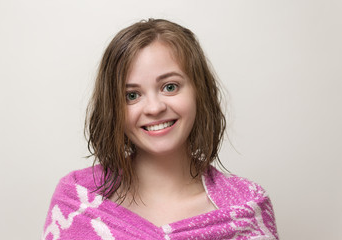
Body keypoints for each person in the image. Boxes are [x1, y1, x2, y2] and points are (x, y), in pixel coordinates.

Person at [41, 19, 279, 240]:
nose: (154, 108)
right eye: (132, 95)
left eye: (170, 87)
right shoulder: (76, 202)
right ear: (113, 108)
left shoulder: (246, 207)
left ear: (199, 91)